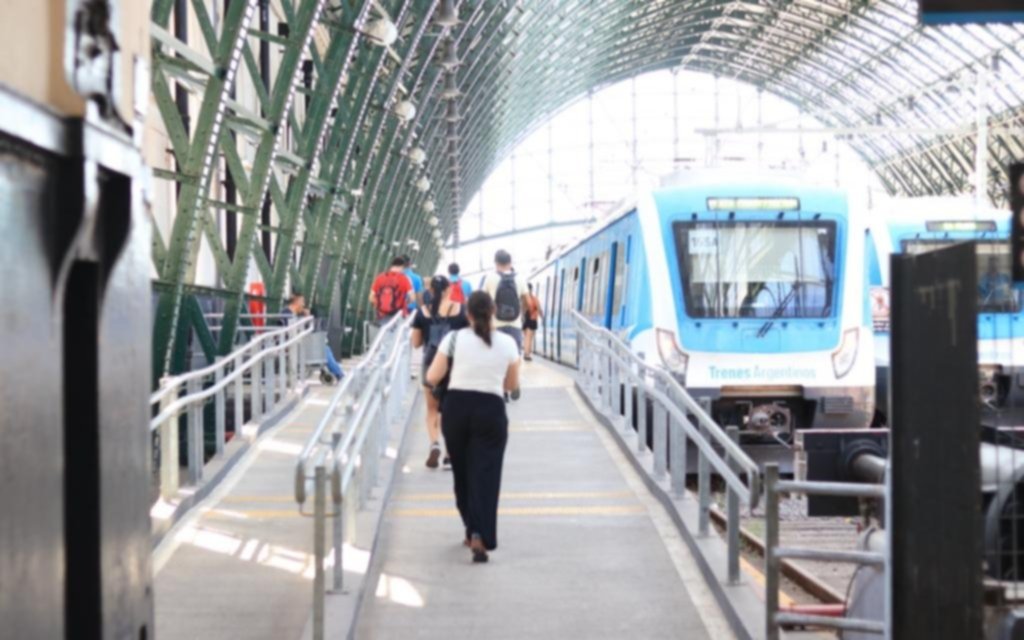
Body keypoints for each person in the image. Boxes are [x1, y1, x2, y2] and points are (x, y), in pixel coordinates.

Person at [427, 291, 519, 563]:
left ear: (467, 314)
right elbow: (511, 386)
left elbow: (432, 376)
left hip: (456, 409)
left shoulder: (453, 339)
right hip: (491, 410)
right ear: (494, 313)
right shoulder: (508, 343)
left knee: (463, 472)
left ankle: (470, 527)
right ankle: (480, 533)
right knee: (487, 474)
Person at [411, 275, 467, 470]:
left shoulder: (422, 312)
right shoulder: (461, 309)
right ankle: (450, 455)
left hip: (431, 363)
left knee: (432, 408)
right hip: (455, 364)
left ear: (431, 291)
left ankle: (434, 443)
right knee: (451, 410)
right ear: (448, 289)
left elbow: (416, 343)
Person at [480, 249, 529, 400]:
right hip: (515, 324)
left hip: (496, 324)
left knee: (497, 356)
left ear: (496, 263)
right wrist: (521, 314)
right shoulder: (520, 279)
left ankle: (503, 390)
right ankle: (514, 381)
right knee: (514, 355)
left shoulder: (489, 278)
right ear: (510, 262)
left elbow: (483, 301)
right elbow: (527, 301)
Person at [283, 293, 343, 383]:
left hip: (299, 344)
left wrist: (306, 317)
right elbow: (290, 333)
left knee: (325, 349)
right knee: (324, 350)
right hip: (293, 346)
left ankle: (339, 373)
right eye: (302, 302)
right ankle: (340, 375)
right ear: (297, 302)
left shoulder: (294, 314)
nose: (303, 305)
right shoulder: (287, 314)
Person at [368, 257, 413, 345]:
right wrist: (405, 303)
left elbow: (371, 297)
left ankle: (380, 355)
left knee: (381, 336)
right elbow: (412, 297)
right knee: (393, 338)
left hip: (381, 314)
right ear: (402, 267)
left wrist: (378, 306)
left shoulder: (380, 277)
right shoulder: (404, 279)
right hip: (397, 314)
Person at [522, 283, 542, 361]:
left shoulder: (523, 299)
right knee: (529, 338)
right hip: (532, 319)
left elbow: (521, 310)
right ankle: (527, 354)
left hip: (525, 321)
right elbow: (539, 309)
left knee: (526, 337)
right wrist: (541, 316)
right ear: (531, 289)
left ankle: (526, 352)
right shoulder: (534, 298)